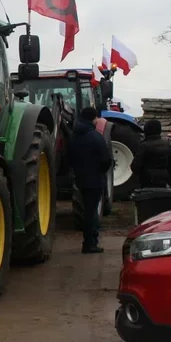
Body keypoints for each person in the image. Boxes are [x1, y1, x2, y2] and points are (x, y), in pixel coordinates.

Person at [68, 107, 112, 254]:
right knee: (91, 212)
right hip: (95, 180)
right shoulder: (96, 137)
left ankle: (90, 241)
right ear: (93, 119)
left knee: (88, 210)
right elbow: (106, 160)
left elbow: (70, 158)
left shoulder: (73, 136)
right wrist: (101, 171)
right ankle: (90, 243)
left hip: (80, 179)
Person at [131, 119, 171, 189]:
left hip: (147, 181)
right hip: (165, 181)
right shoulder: (167, 144)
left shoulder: (144, 146)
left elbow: (135, 166)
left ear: (146, 130)